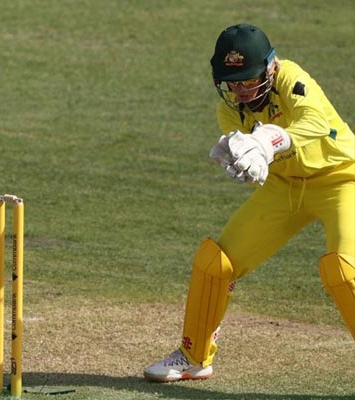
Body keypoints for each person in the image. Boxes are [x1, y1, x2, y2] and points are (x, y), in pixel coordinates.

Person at [143, 23, 355, 382]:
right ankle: (194, 356)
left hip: (342, 178)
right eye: (232, 82)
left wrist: (269, 140)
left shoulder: (293, 79)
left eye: (247, 80)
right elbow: (247, 155)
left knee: (343, 270)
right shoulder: (228, 113)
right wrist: (240, 165)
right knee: (216, 263)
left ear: (270, 68)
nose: (240, 90)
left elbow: (314, 121)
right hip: (284, 188)